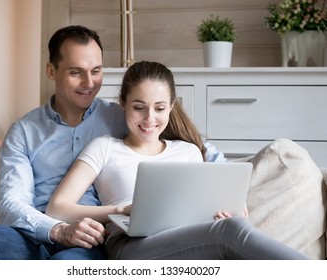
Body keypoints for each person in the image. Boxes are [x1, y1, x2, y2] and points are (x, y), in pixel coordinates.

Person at [0, 26, 225, 260]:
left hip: (91, 238)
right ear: (51, 71)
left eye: (96, 71)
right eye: (75, 72)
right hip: (33, 235)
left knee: (67, 265)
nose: (89, 83)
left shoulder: (123, 116)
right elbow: (11, 203)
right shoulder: (23, 131)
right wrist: (56, 230)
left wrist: (224, 194)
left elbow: (195, 150)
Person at [46, 61, 309, 260]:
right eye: (139, 107)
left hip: (185, 242)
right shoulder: (104, 148)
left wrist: (224, 212)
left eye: (159, 108)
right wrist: (119, 211)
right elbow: (57, 208)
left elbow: (201, 210)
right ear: (123, 103)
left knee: (233, 226)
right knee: (232, 231)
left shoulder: (189, 151)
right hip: (130, 244)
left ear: (171, 107)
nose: (150, 119)